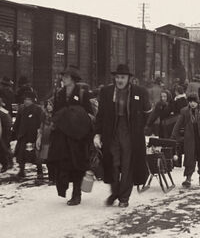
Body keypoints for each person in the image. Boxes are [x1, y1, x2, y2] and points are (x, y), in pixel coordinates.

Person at [94, 64, 152, 208]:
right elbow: (100, 115)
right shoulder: (106, 92)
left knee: (128, 165)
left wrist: (138, 127)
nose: (120, 80)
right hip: (111, 132)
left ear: (128, 79)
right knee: (112, 163)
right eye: (118, 77)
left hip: (130, 133)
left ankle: (124, 198)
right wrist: (97, 133)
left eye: (123, 77)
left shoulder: (139, 92)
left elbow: (147, 112)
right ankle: (115, 191)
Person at [47, 66, 95, 206]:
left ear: (73, 79)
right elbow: (55, 113)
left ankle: (76, 194)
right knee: (63, 162)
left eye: (66, 76)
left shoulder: (82, 93)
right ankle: (63, 187)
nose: (63, 78)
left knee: (77, 164)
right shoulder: (59, 94)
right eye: (63, 76)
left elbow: (89, 113)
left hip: (78, 136)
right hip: (62, 136)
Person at [172, 93, 200, 187]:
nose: (192, 104)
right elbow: (178, 124)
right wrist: (174, 135)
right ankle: (188, 178)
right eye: (190, 102)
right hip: (190, 138)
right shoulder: (184, 111)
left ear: (197, 102)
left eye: (194, 102)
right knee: (189, 159)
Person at [13, 91, 45, 180]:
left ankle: (39, 171)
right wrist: (15, 130)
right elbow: (18, 121)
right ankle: (21, 170)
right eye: (25, 99)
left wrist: (40, 132)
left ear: (33, 100)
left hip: (34, 135)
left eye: (29, 100)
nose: (26, 101)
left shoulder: (37, 109)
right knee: (21, 154)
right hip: (23, 135)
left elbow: (41, 121)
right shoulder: (21, 108)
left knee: (36, 154)